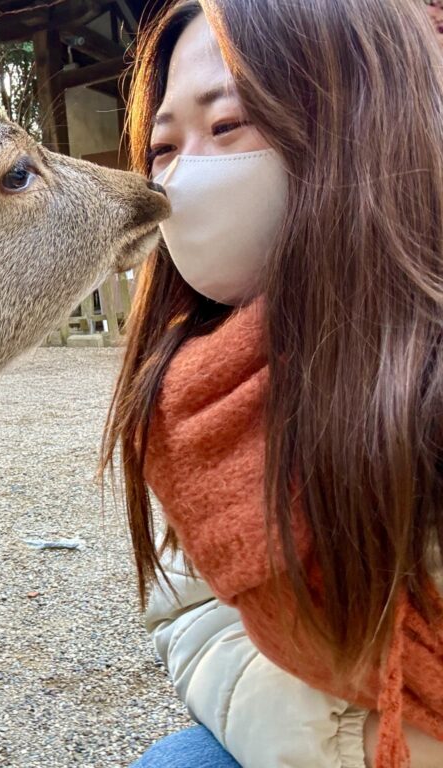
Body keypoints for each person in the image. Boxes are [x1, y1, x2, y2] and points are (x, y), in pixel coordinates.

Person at [101, 1, 443, 766]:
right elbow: (194, 618)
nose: (180, 179)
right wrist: (345, 745)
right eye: (162, 147)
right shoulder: (187, 390)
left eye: (227, 127)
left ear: (363, 120)